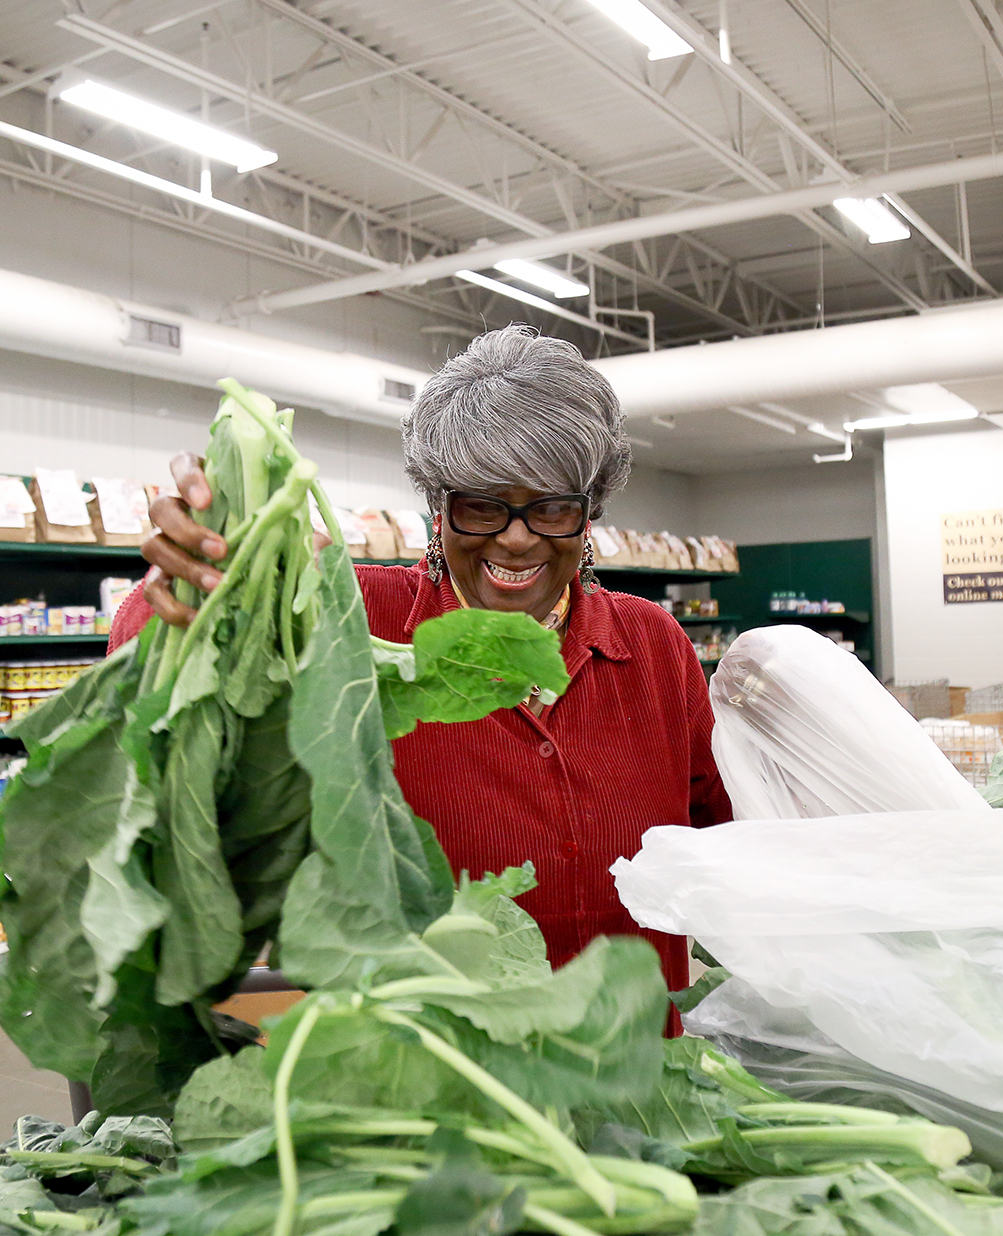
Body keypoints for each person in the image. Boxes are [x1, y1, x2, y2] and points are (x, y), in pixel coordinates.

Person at [112, 324, 730, 995]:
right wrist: (205, 576)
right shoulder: (349, 622)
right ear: (437, 508)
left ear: (590, 516)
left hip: (641, 1079)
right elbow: (157, 711)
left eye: (551, 507)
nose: (517, 538)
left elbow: (728, 844)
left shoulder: (651, 645)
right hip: (429, 1078)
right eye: (480, 505)